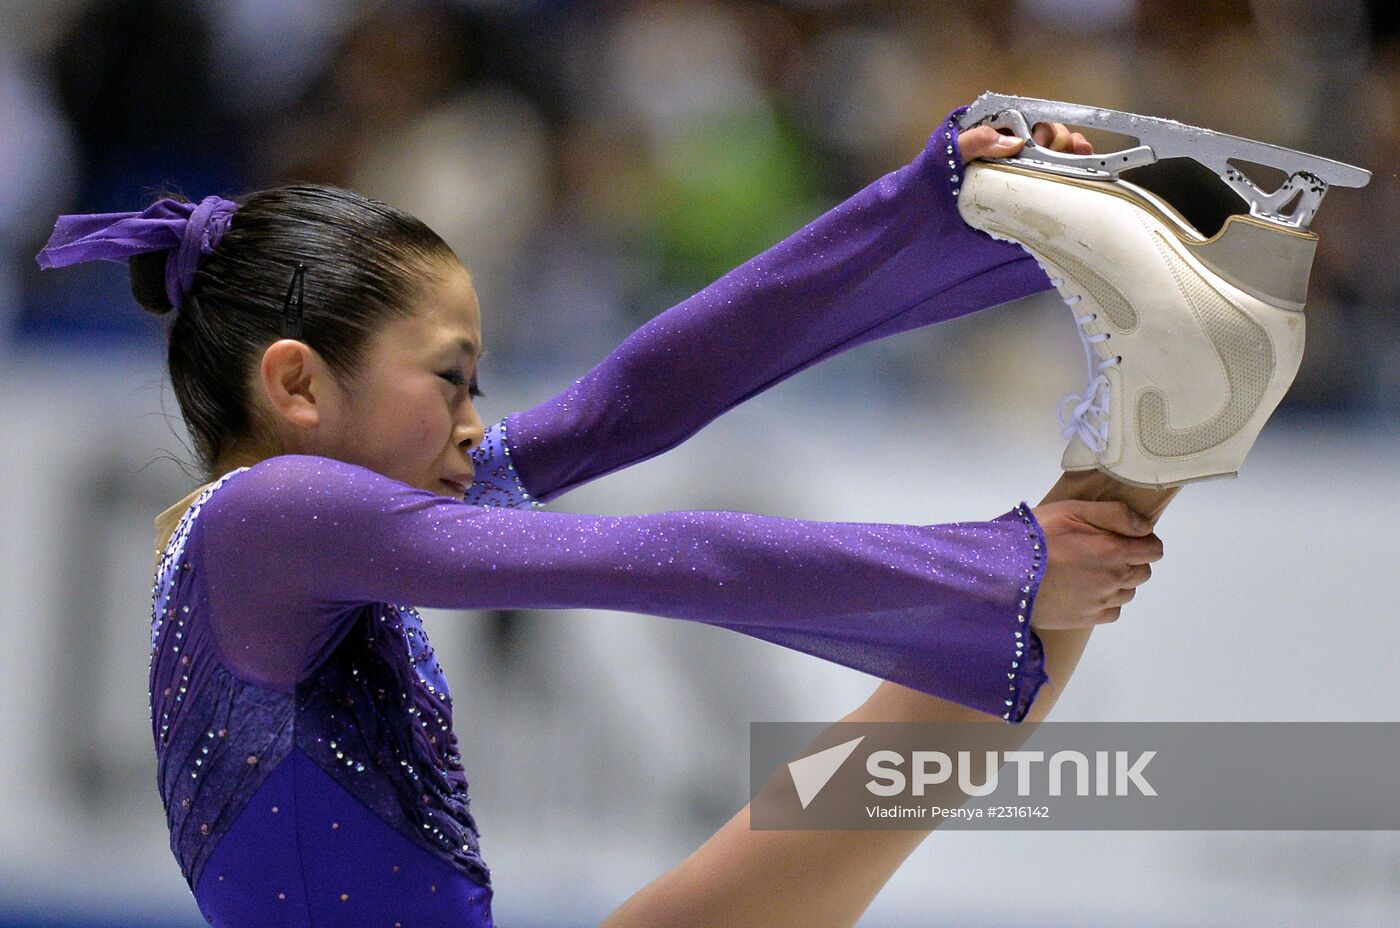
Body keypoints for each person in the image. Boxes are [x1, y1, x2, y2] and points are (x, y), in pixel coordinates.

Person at [36, 107, 1166, 927]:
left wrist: (926, 209)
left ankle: (1149, 429)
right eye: (451, 379)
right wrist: (994, 567)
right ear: (297, 386)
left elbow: (635, 399)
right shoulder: (275, 514)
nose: (477, 422)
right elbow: (660, 558)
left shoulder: (307, 529)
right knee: (901, 746)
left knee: (894, 755)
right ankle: (1154, 430)